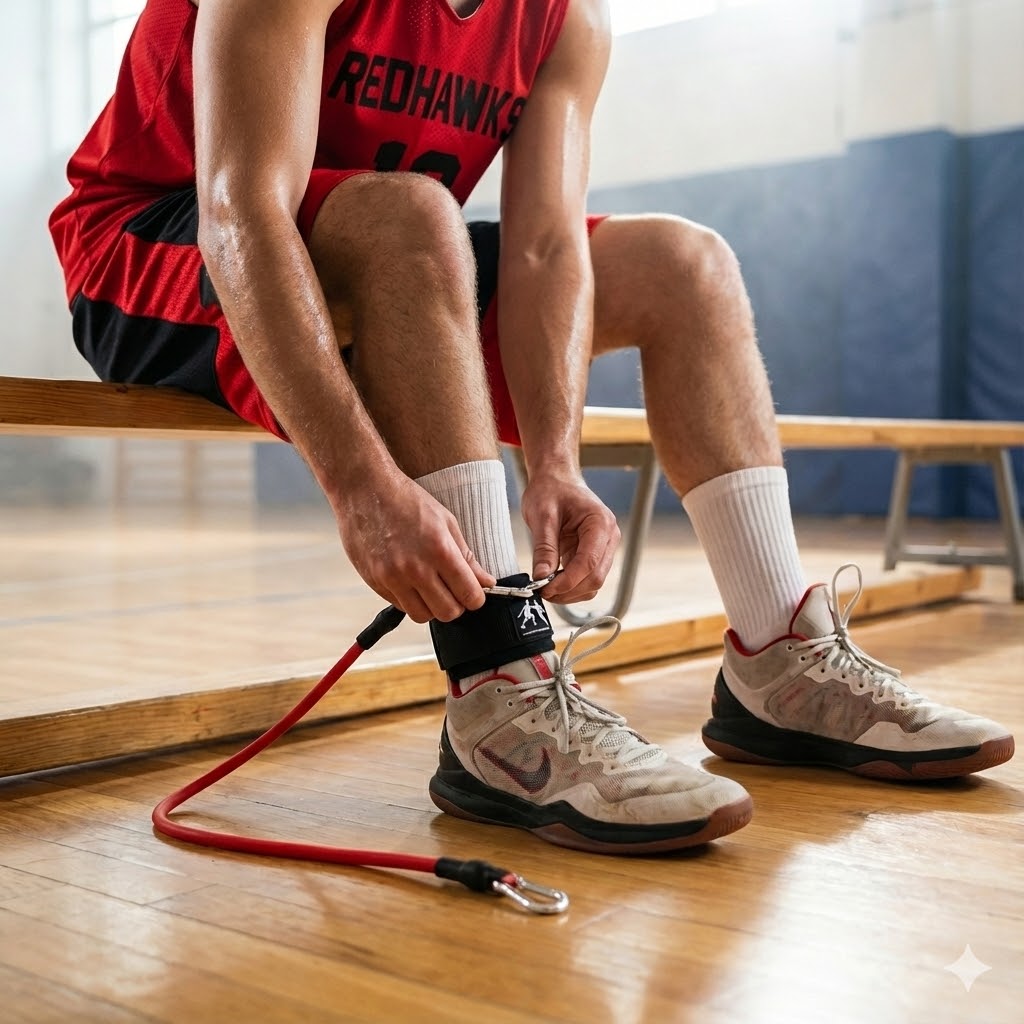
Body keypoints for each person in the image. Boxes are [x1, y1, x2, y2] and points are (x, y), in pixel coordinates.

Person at [50, 0, 1014, 855]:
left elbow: (548, 247)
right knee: (412, 217)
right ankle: (500, 697)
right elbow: (242, 212)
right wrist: (360, 487)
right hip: (156, 245)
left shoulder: (568, 15)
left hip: (382, 256)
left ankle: (781, 667)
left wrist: (556, 463)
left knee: (688, 265)